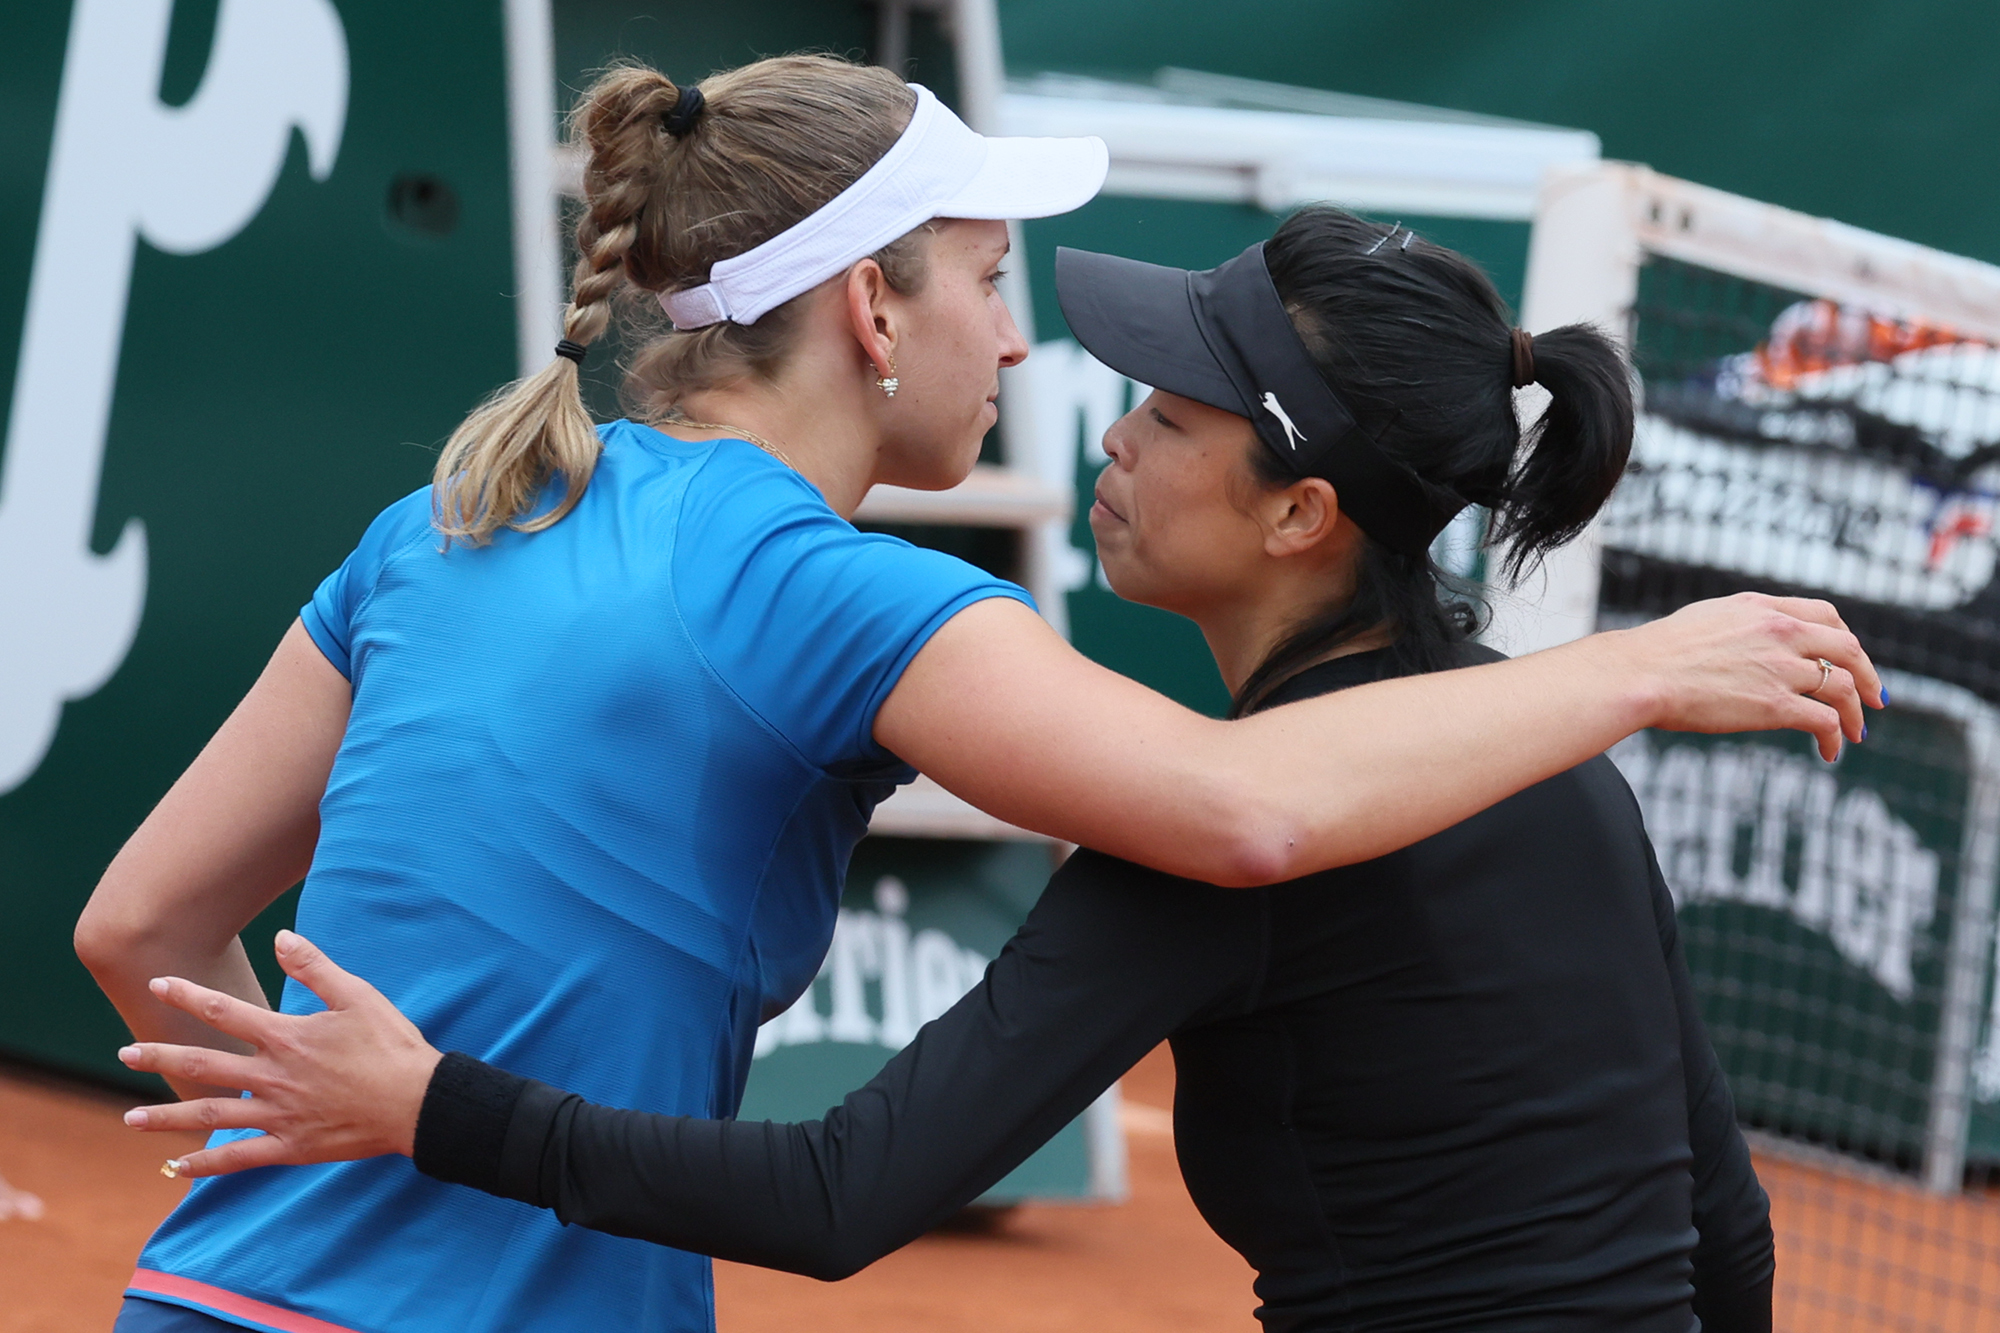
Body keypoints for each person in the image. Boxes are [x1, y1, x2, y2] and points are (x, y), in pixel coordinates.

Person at [80, 52, 1873, 1333]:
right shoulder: (843, 593)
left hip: (218, 1294)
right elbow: (1249, 807)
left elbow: (142, 915)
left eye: (1166, 404)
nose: (1025, 349)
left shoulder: (437, 519)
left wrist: (330, 1146)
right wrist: (1636, 666)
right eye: (993, 281)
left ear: (1304, 509)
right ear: (873, 307)